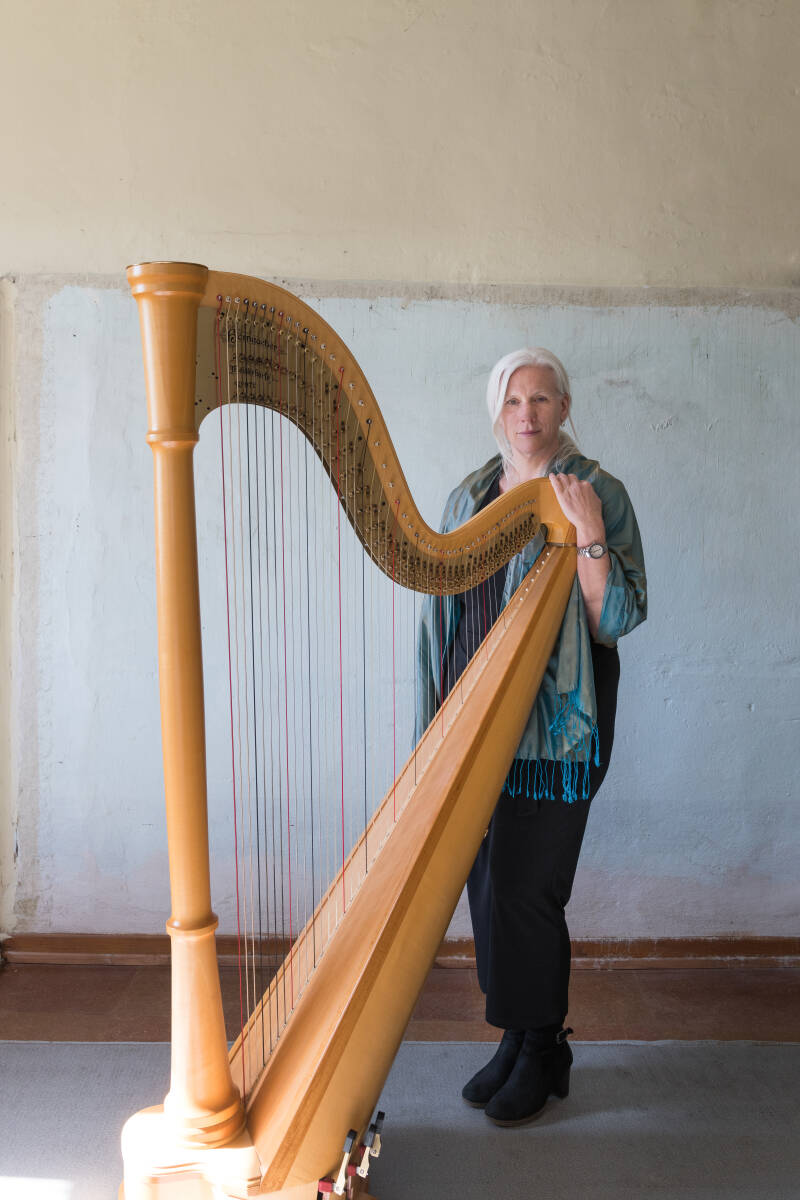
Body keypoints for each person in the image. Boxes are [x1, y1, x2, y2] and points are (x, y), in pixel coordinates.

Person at [414, 348, 647, 1126]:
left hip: (557, 731)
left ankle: (545, 1047)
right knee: (487, 882)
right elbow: (446, 607)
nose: (527, 414)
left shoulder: (598, 492)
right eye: (513, 400)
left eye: (541, 398)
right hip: (477, 720)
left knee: (527, 888)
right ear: (497, 411)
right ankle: (517, 1036)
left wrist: (589, 535)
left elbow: (614, 621)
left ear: (564, 407)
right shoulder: (470, 495)